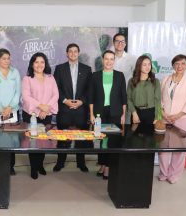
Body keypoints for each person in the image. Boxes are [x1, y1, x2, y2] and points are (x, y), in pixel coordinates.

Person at [53, 43, 92, 172]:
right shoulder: (59, 68)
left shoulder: (87, 69)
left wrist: (81, 101)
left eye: (75, 51)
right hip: (65, 109)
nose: (73, 53)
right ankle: (60, 162)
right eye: (70, 51)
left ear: (79, 53)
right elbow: (56, 88)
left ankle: (81, 163)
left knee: (81, 138)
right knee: (63, 138)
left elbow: (89, 90)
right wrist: (65, 101)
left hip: (81, 110)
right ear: (67, 53)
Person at [159, 54, 186, 184]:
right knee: (163, 147)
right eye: (177, 63)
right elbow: (159, 99)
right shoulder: (165, 79)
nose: (179, 66)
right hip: (165, 118)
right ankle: (163, 172)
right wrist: (163, 113)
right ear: (173, 65)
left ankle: (174, 174)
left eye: (182, 63)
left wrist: (178, 115)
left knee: (179, 149)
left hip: (182, 119)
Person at [89, 50, 127, 180]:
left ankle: (108, 167)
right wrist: (91, 115)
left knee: (112, 140)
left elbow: (123, 97)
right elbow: (91, 97)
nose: (109, 61)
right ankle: (103, 164)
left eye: (112, 59)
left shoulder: (119, 75)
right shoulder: (95, 75)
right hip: (99, 113)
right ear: (102, 59)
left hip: (115, 112)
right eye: (107, 59)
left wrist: (123, 114)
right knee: (102, 139)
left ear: (114, 60)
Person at [22, 52, 59, 179]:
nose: (39, 64)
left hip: (46, 114)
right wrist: (40, 107)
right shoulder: (27, 79)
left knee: (43, 141)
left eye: (42, 62)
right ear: (32, 64)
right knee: (33, 141)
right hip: (31, 114)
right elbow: (26, 97)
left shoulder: (51, 78)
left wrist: (46, 108)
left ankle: (40, 165)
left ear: (45, 64)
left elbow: (56, 95)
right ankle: (33, 167)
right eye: (36, 62)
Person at [127, 55, 161, 124]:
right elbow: (128, 98)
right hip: (136, 112)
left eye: (149, 64)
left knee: (149, 134)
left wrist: (157, 117)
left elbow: (158, 100)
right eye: (144, 65)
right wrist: (134, 113)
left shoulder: (155, 81)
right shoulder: (132, 81)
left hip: (151, 113)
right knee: (134, 134)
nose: (147, 67)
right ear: (139, 66)